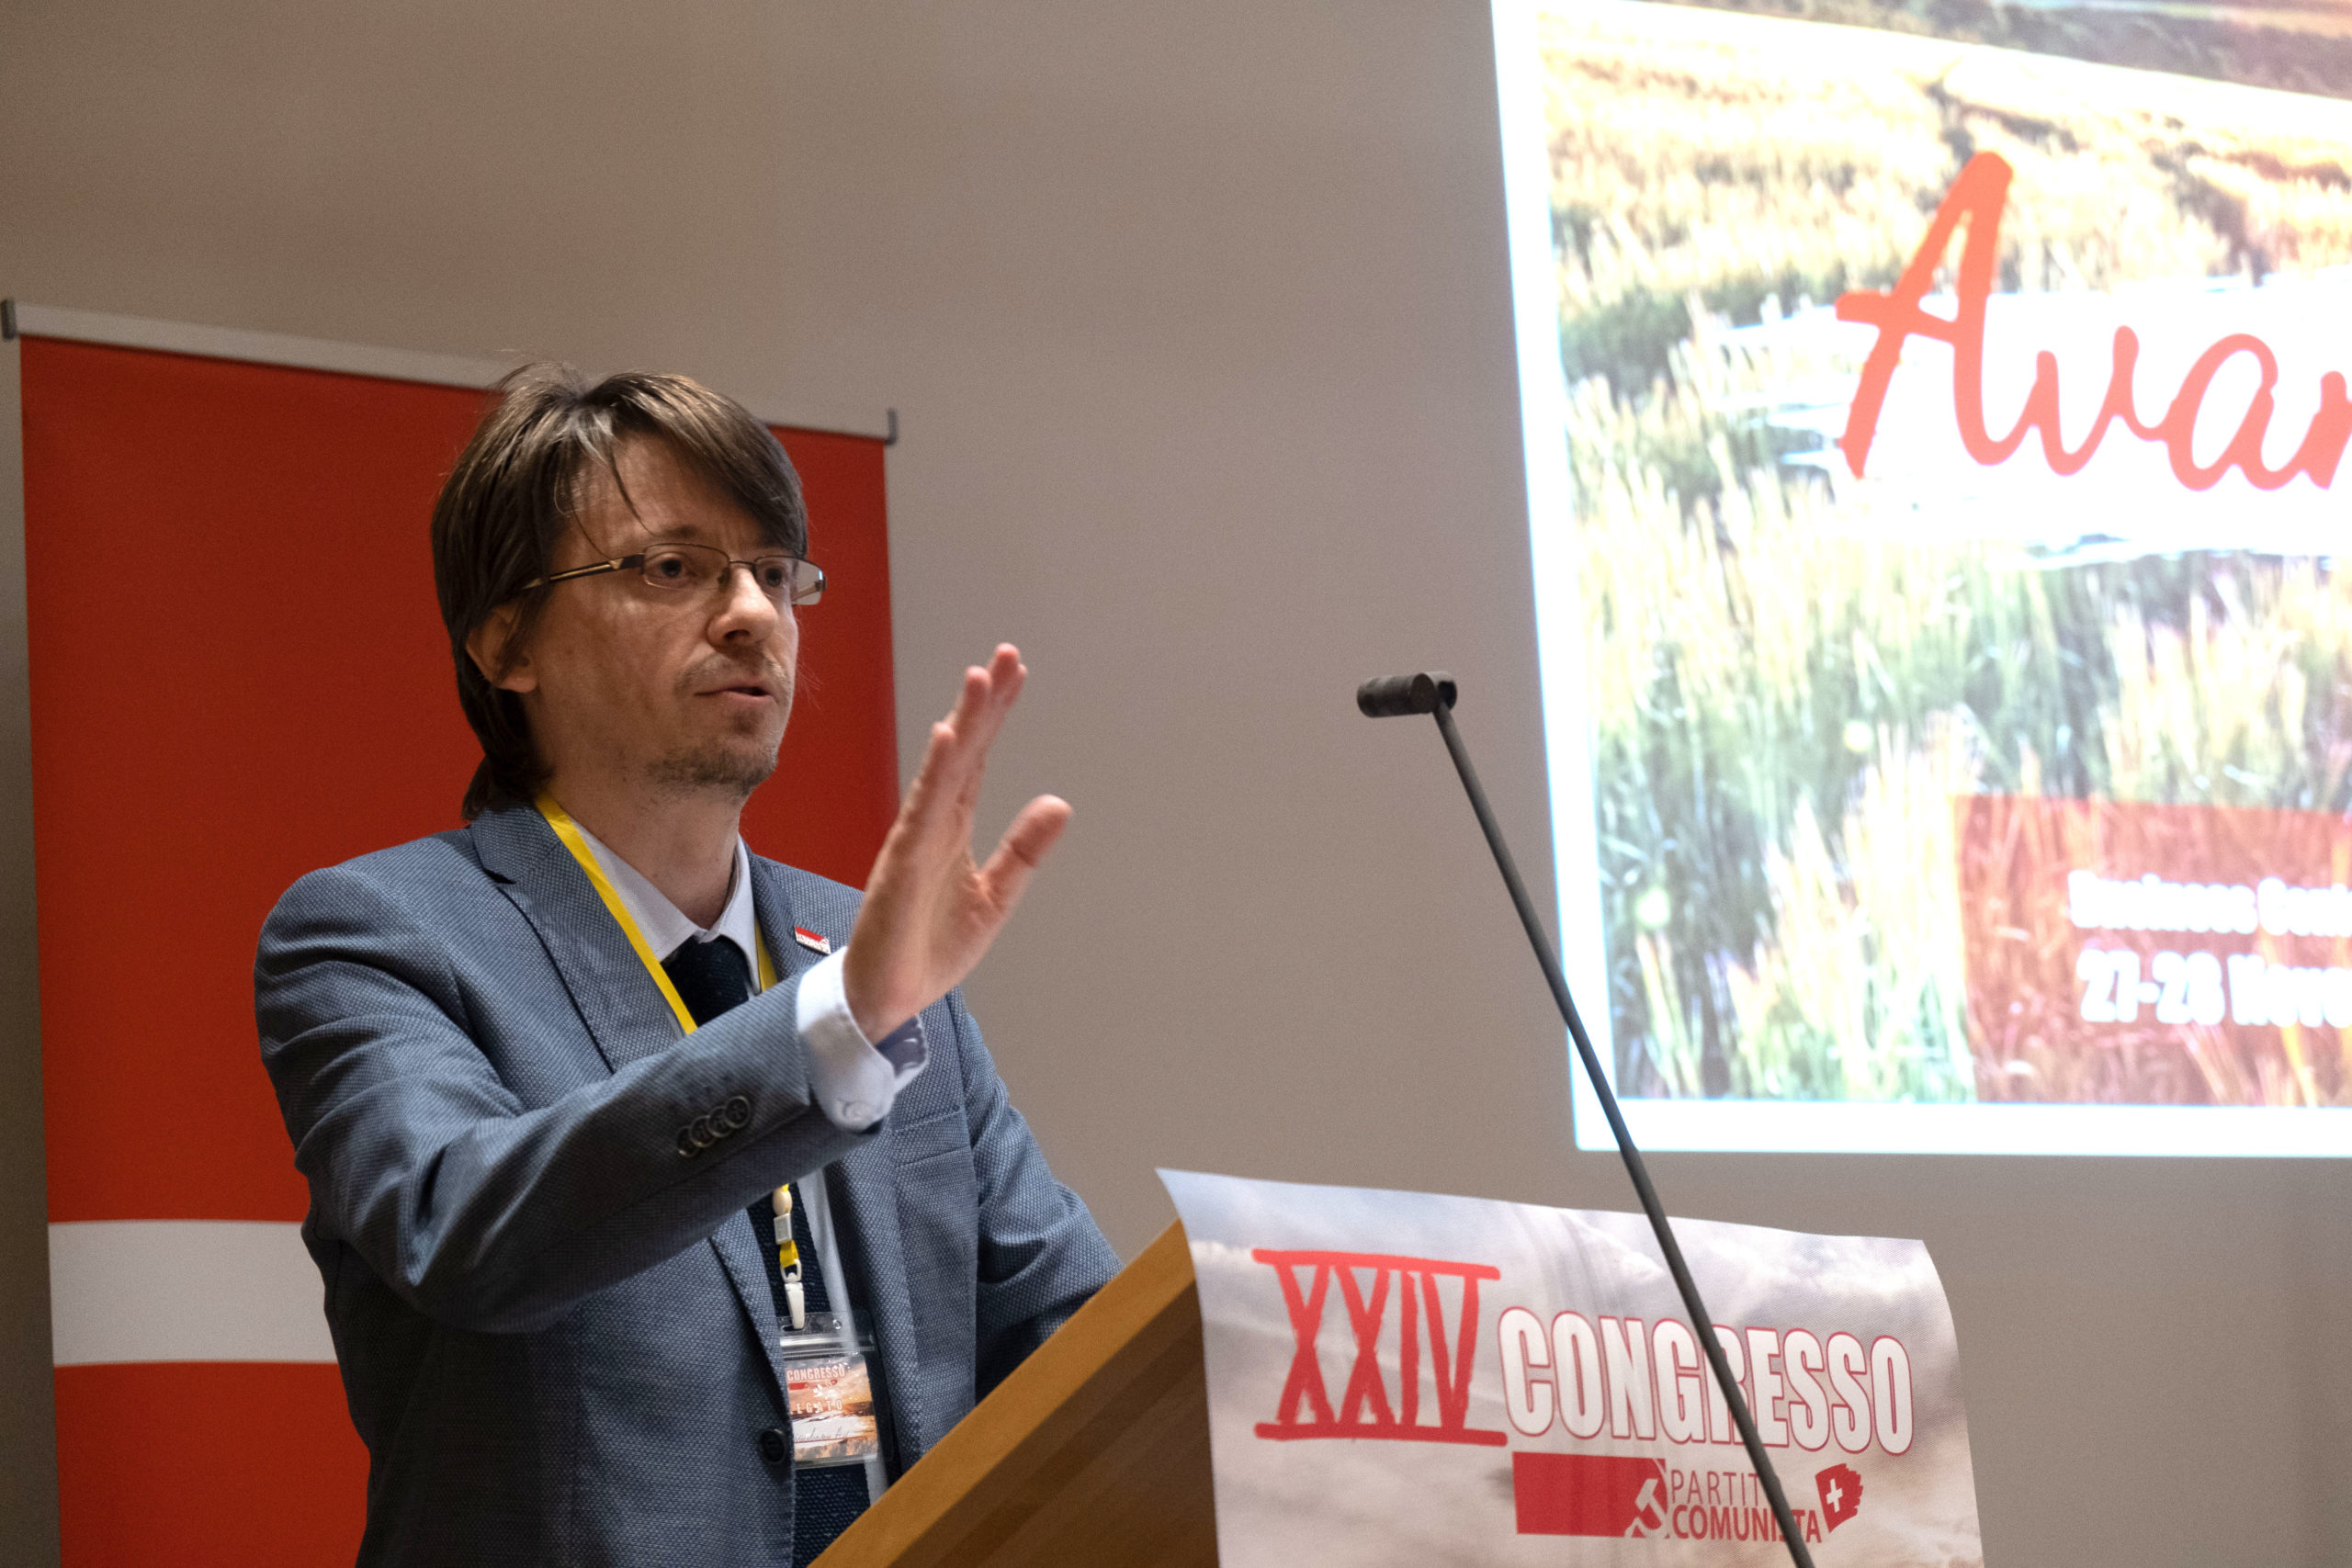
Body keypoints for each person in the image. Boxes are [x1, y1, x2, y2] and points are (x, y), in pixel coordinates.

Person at [254, 366, 1118, 1566]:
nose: (753, 612)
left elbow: (1069, 1332)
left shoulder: (860, 953)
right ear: (508, 643)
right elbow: (462, 1232)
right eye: (673, 568)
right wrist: (830, 1029)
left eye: (774, 571)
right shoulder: (379, 935)